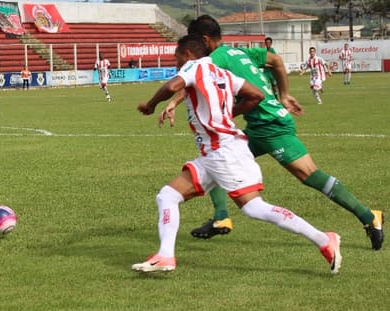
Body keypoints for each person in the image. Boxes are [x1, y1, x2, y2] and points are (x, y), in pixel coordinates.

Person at [167, 15, 382, 250]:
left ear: (205, 40)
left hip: (270, 125)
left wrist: (172, 102)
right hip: (260, 126)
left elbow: (194, 78)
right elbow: (277, 61)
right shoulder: (239, 52)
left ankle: (369, 217)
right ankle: (221, 217)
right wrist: (284, 95)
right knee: (216, 158)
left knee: (308, 174)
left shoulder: (215, 58)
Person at [134, 35, 342, 274]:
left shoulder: (195, 65)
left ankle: (324, 239)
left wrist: (151, 105)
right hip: (221, 150)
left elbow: (172, 86)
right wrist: (227, 115)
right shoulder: (222, 73)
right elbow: (256, 95)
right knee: (167, 196)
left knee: (254, 208)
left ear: (188, 54)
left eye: (177, 58)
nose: (176, 63)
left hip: (222, 153)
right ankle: (165, 255)